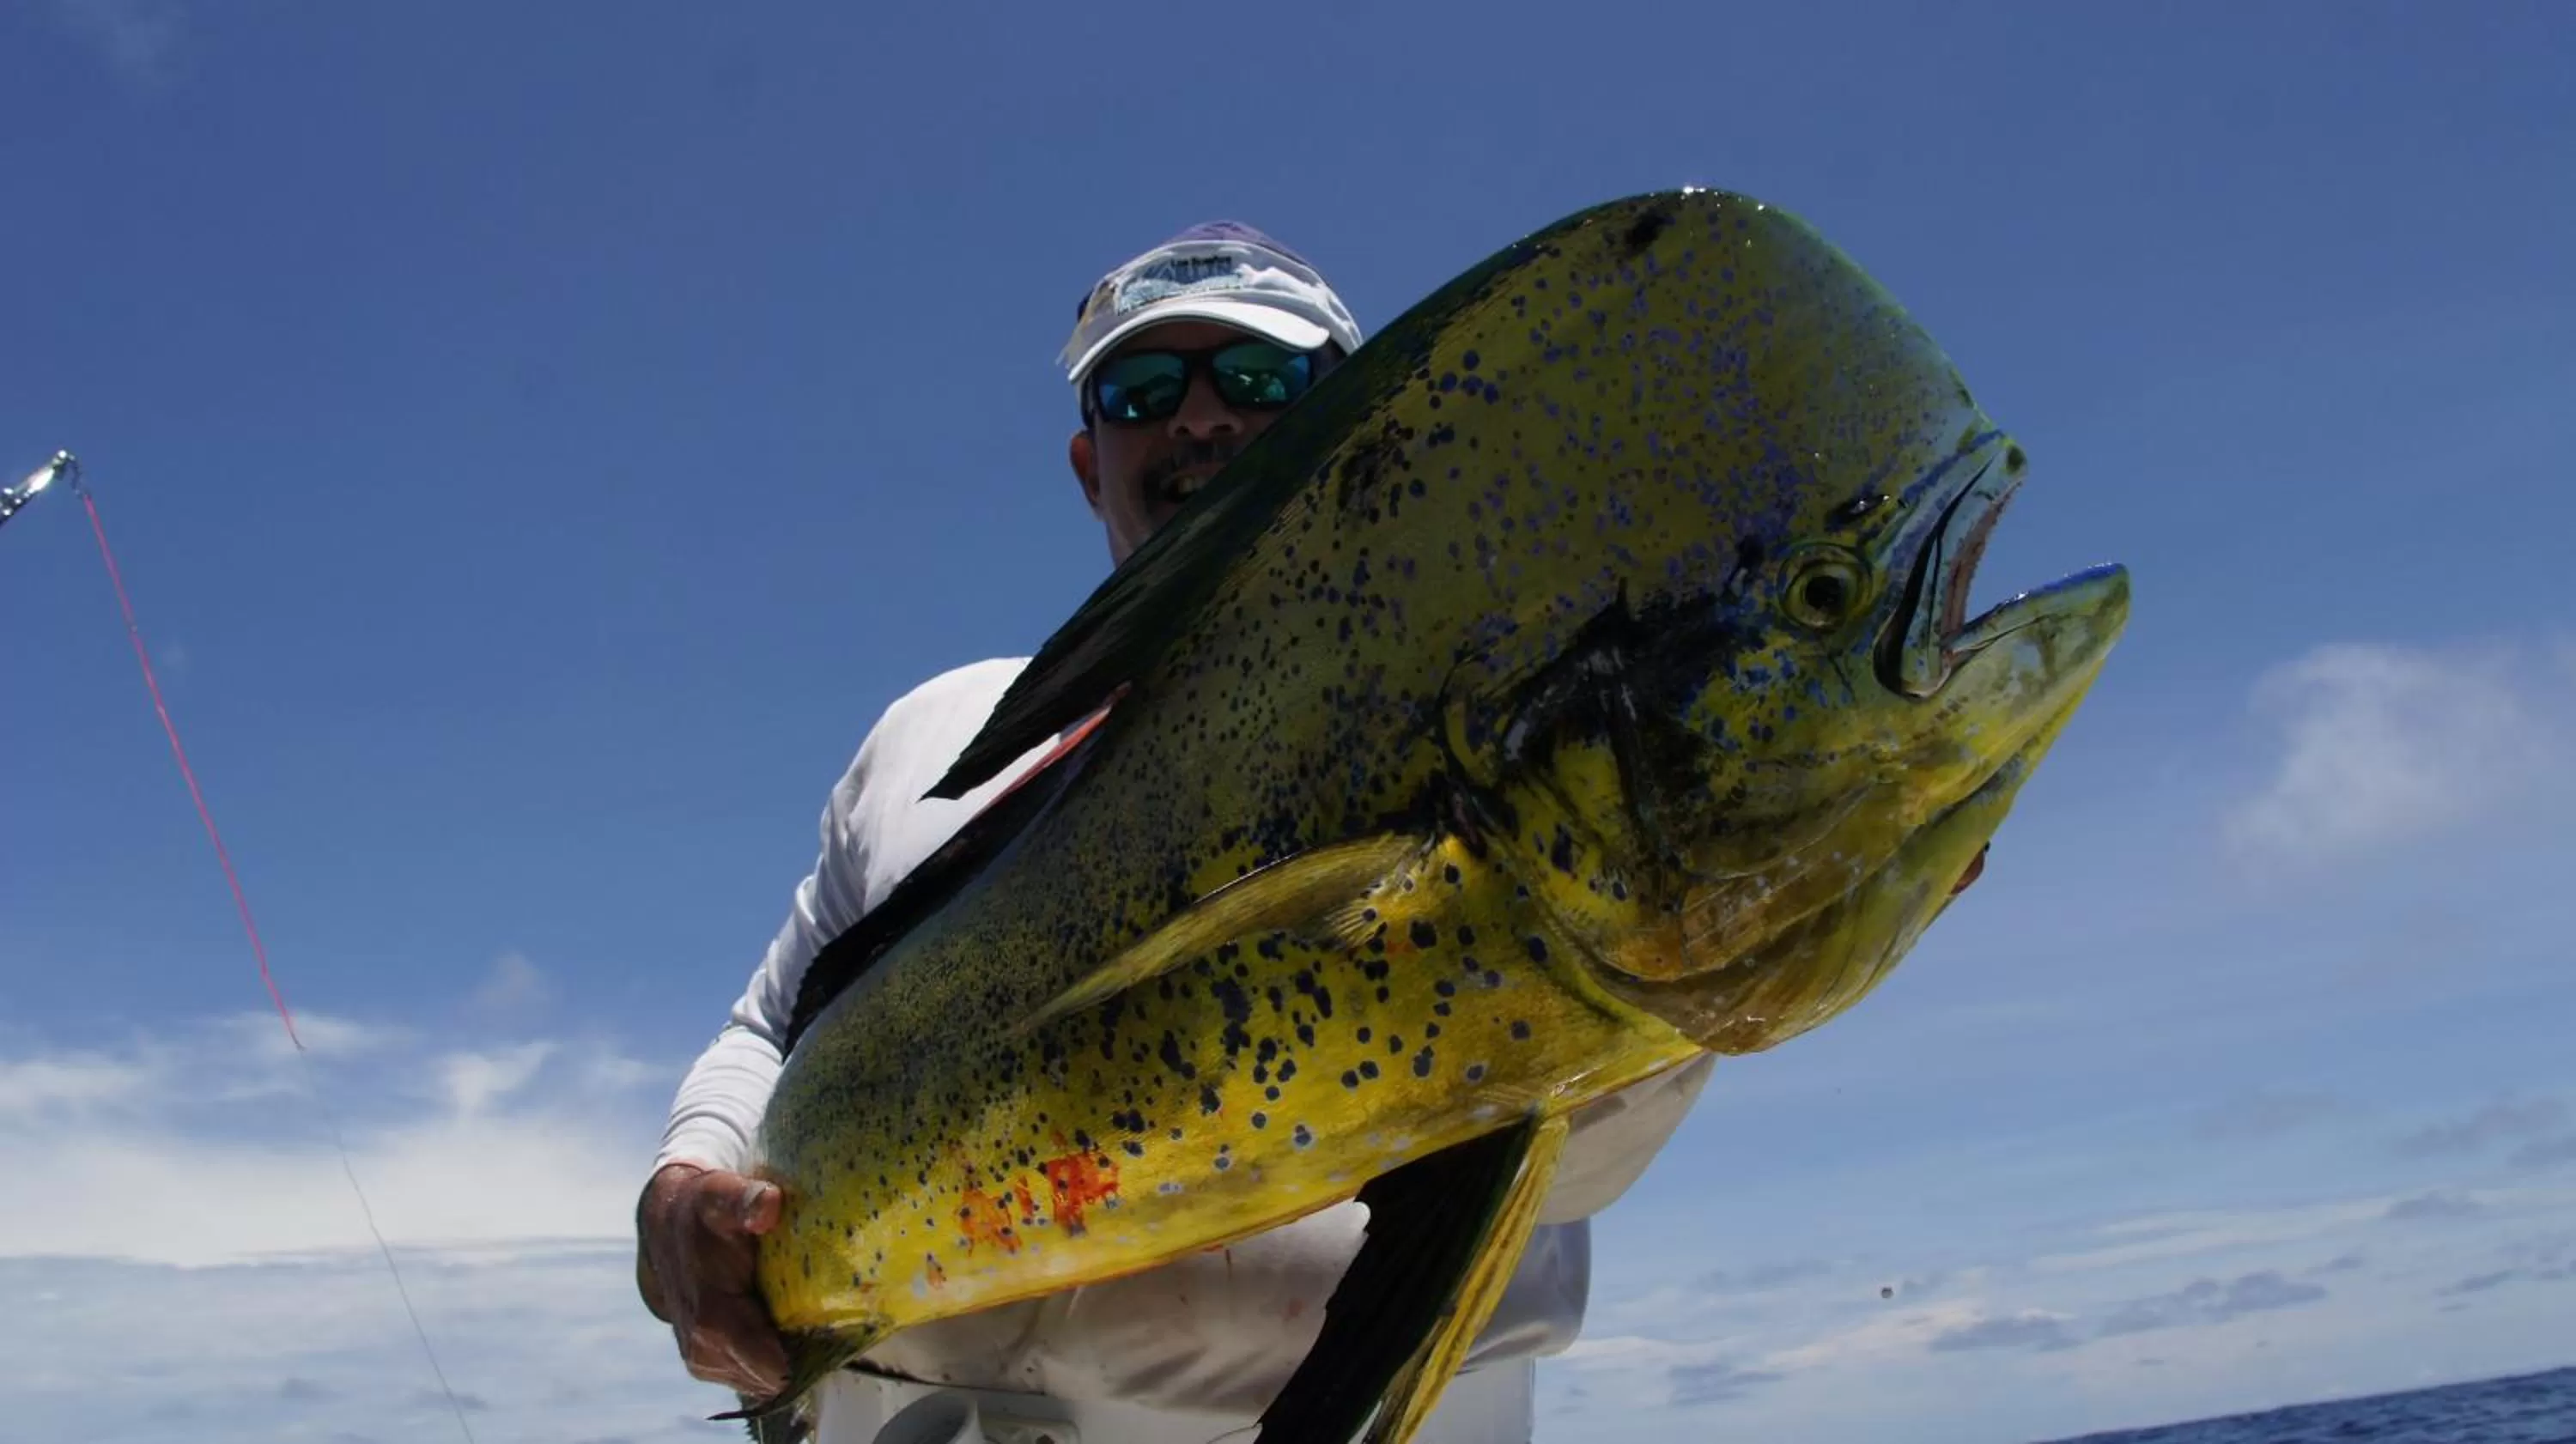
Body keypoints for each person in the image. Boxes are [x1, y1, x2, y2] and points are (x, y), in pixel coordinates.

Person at [636, 221, 1716, 1444]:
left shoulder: (1494, 709)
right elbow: (770, 1031)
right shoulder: (931, 737)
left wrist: (1726, 937)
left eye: (1258, 380)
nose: (1199, 419)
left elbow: (1565, 1155)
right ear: (1092, 465)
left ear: (1357, 427)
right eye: (1145, 391)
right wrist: (687, 1175)